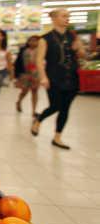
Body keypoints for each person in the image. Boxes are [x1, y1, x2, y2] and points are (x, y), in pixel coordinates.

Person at [31, 9, 85, 149]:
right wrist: (43, 77)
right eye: (64, 16)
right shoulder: (45, 39)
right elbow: (39, 60)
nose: (67, 19)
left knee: (65, 108)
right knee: (56, 105)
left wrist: (79, 48)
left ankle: (57, 137)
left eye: (68, 16)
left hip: (72, 77)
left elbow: (82, 54)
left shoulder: (73, 37)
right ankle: (39, 119)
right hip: (54, 77)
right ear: (54, 19)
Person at [15, 36, 40, 117]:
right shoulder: (24, 50)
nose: (33, 42)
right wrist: (17, 75)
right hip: (25, 74)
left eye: (35, 41)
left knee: (34, 91)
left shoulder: (41, 50)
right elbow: (18, 62)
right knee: (25, 91)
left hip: (36, 74)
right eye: (31, 41)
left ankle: (34, 111)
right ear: (28, 42)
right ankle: (19, 101)